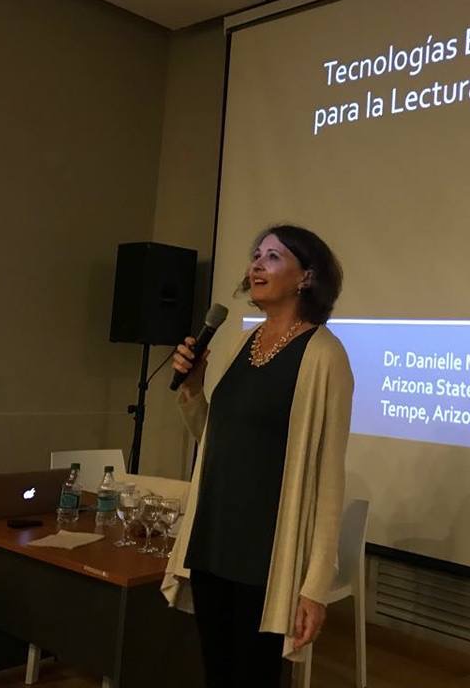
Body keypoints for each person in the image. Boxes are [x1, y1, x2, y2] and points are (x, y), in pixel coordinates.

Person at [160, 224, 354, 688]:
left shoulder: (325, 356)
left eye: (273, 256)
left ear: (306, 277)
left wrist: (315, 586)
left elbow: (329, 479)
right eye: (256, 255)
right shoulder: (240, 342)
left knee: (254, 676)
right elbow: (213, 437)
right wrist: (192, 386)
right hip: (213, 537)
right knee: (217, 672)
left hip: (265, 551)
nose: (257, 265)